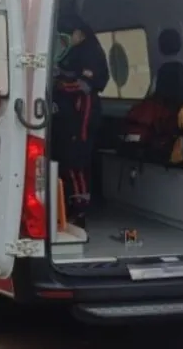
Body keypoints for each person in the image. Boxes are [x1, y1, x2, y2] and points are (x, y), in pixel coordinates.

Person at [52, 14, 109, 231]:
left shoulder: (92, 53)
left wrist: (58, 83)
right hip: (68, 117)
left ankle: (81, 207)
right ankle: (68, 202)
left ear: (80, 33)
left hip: (83, 117)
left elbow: (85, 85)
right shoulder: (72, 52)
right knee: (67, 160)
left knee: (78, 161)